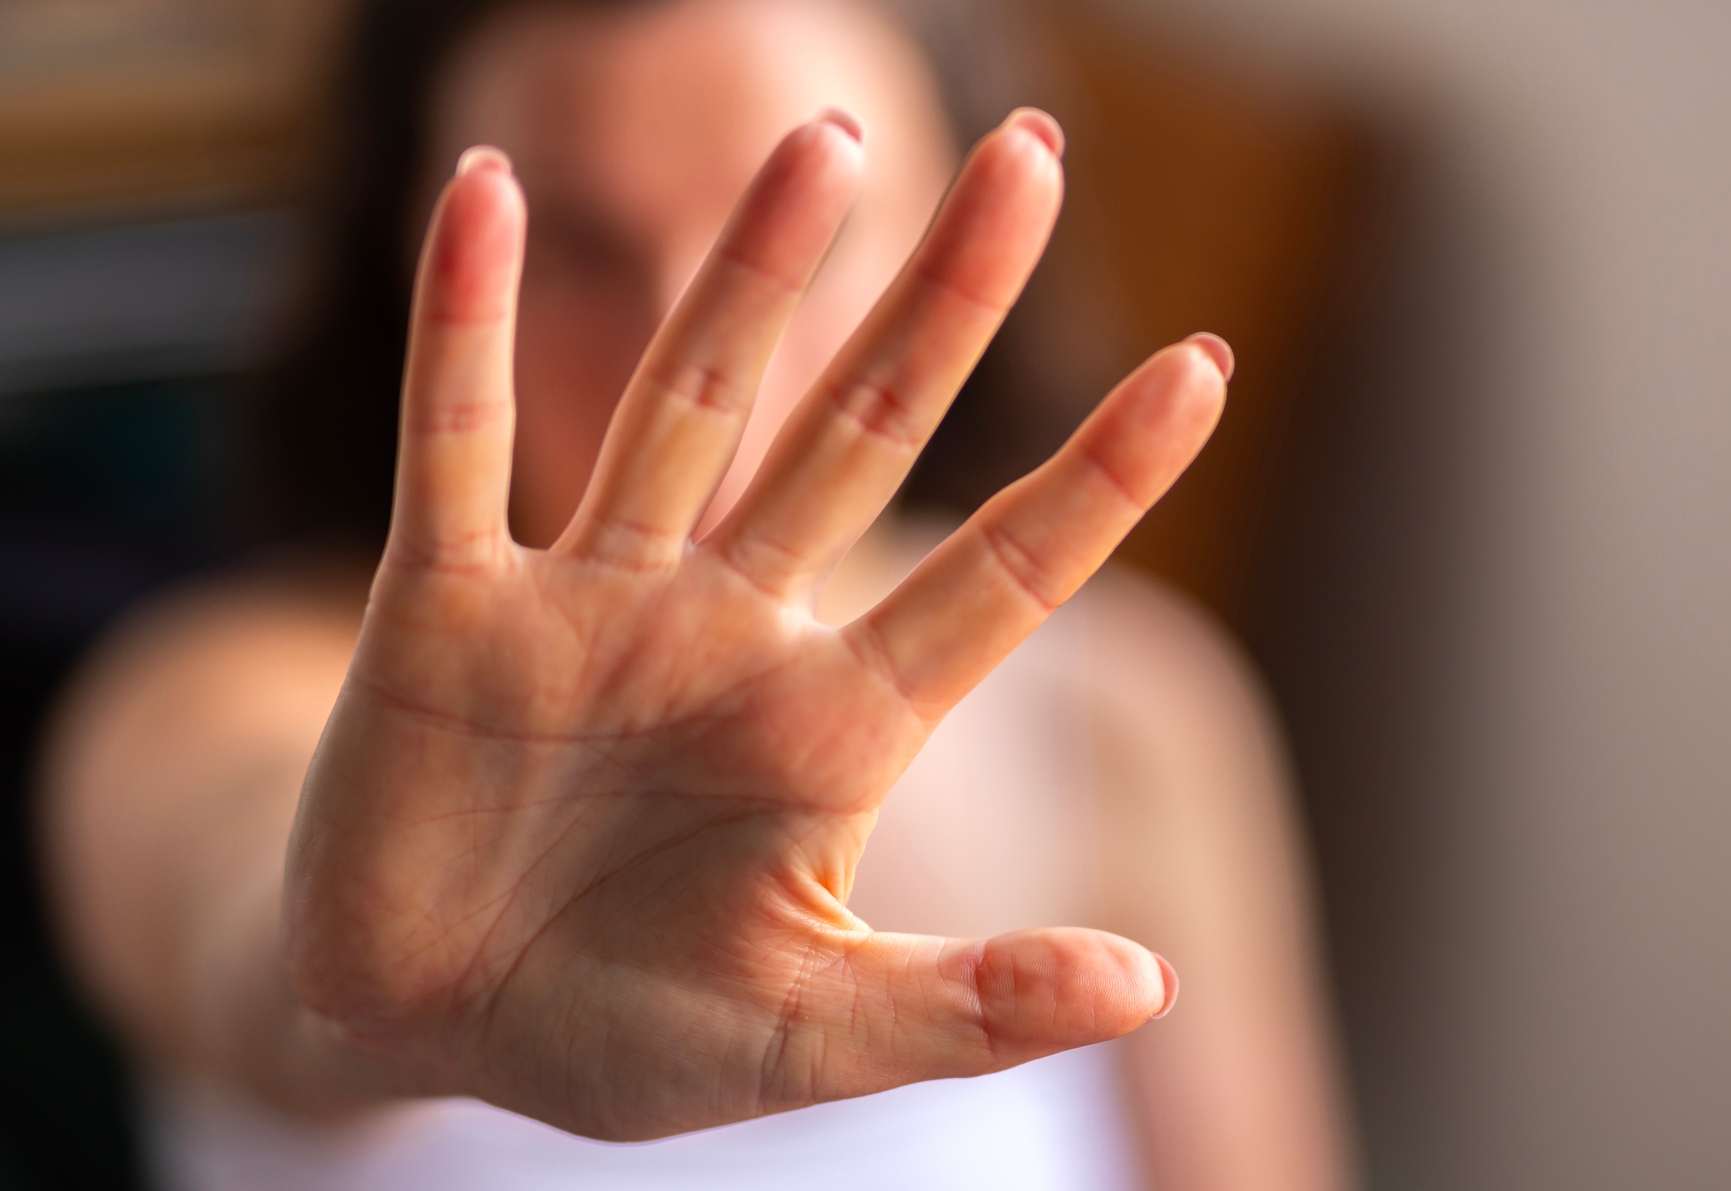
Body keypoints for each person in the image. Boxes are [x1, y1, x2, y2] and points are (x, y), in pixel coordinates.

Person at [37, 0, 1350, 1187]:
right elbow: (253, 935)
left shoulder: (1129, 713)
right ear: (408, 268)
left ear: (964, 247)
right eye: (576, 248)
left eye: (810, 241)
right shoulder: (199, 701)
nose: (685, 347)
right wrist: (380, 1003)